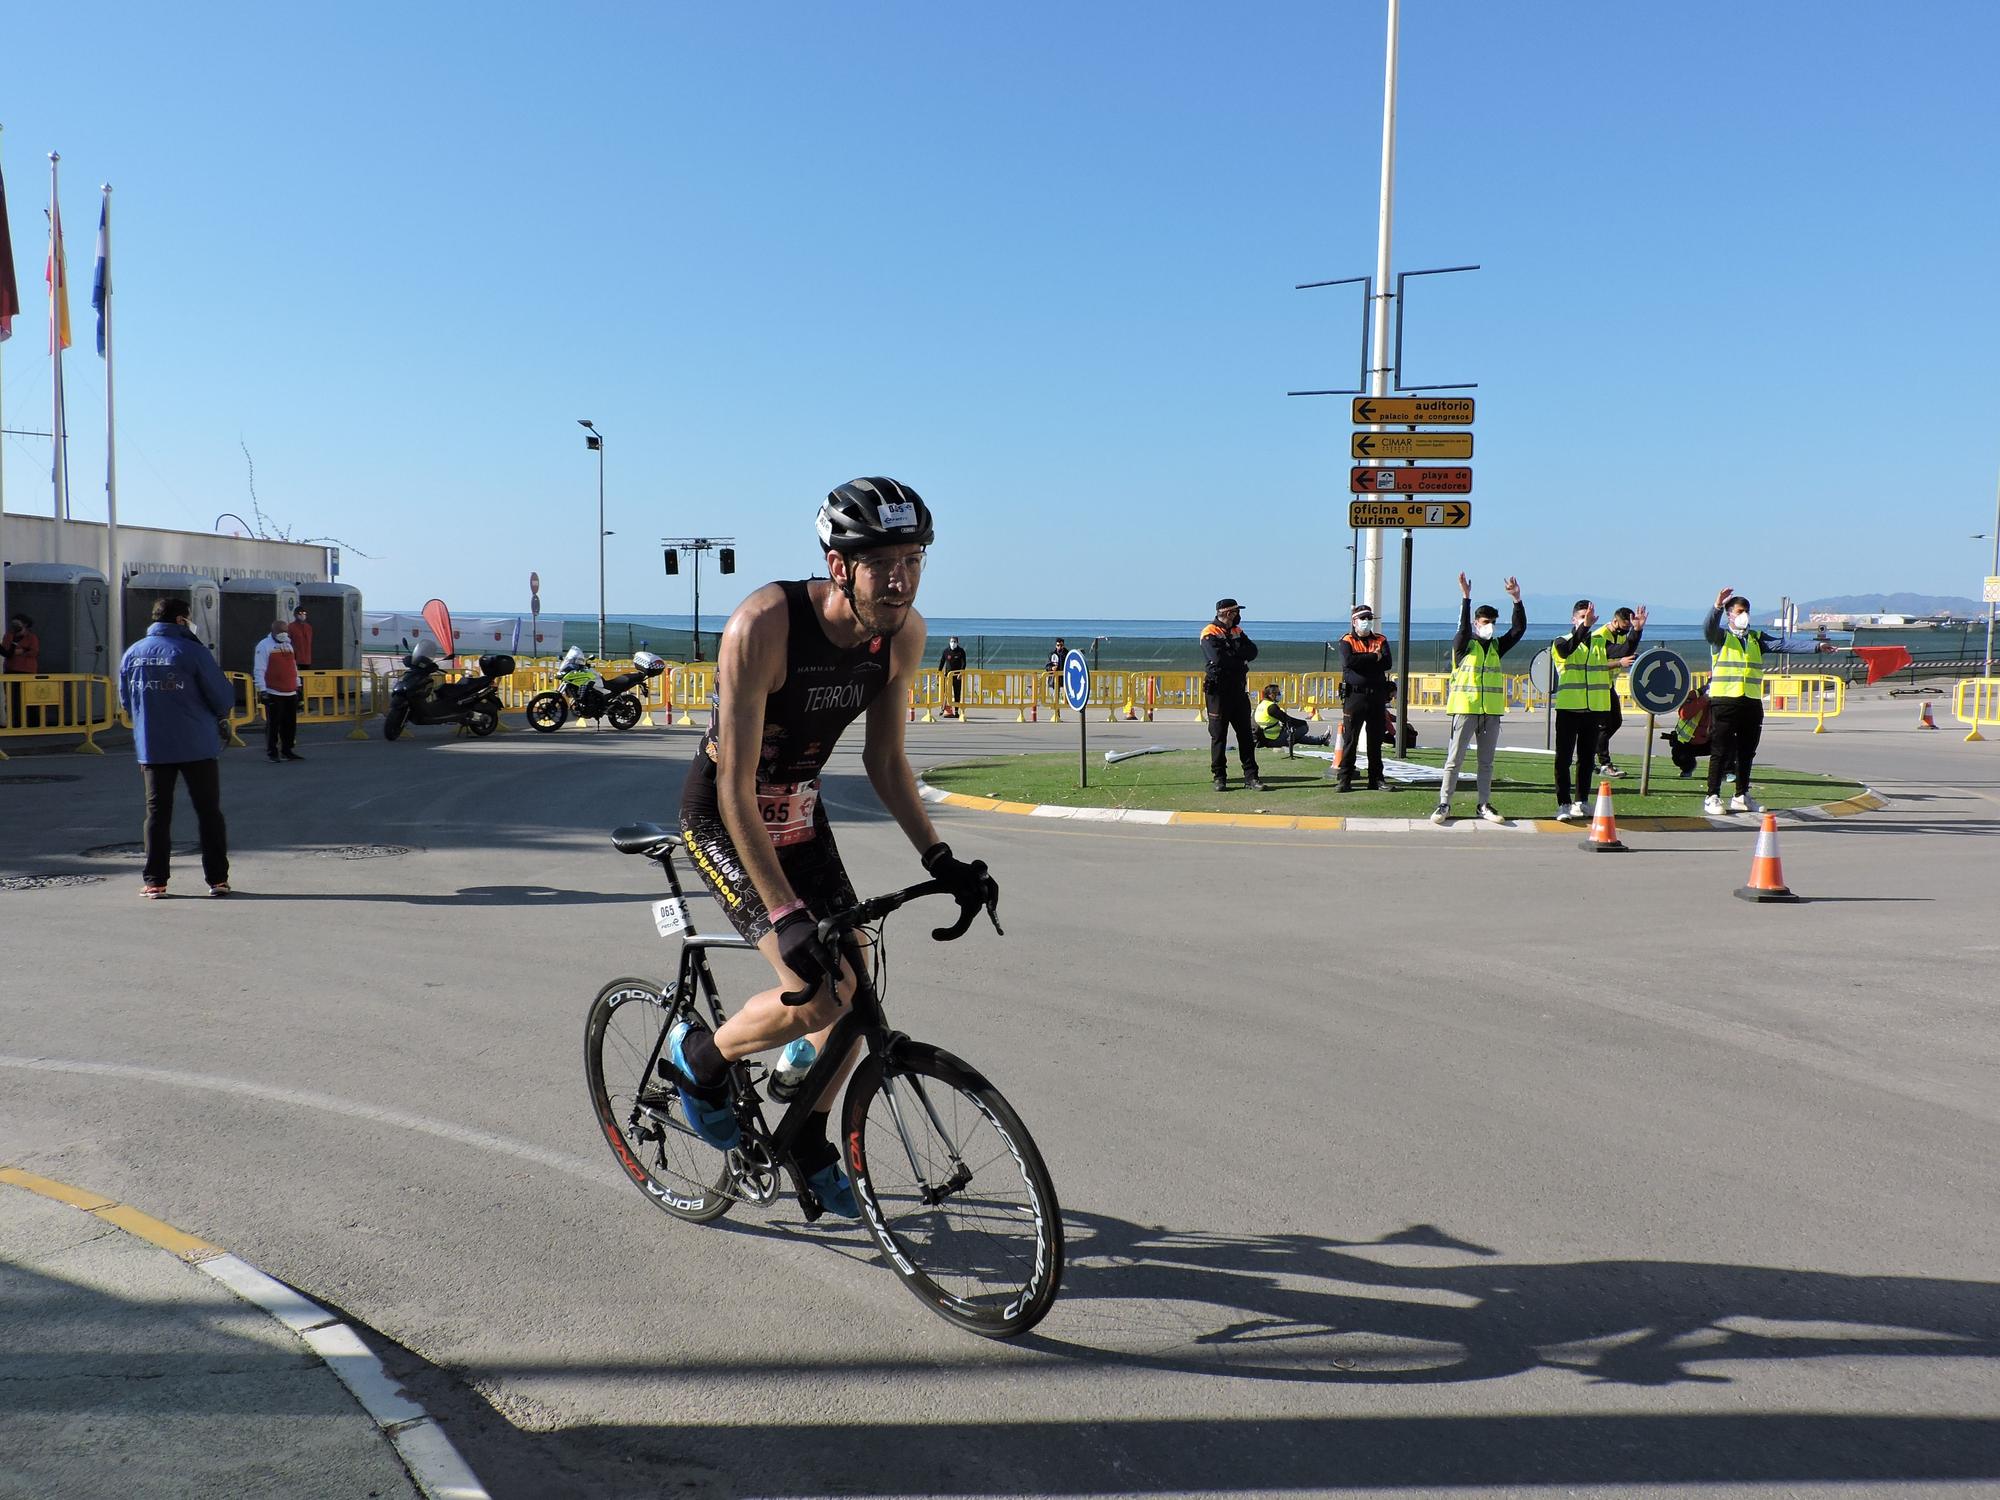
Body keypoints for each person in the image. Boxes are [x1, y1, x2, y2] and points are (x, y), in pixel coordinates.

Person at [670, 478, 996, 1218]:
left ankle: (809, 1137)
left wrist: (940, 859)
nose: (900, 578)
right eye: (881, 562)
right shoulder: (764, 625)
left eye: (913, 559)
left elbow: (886, 762)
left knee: (856, 987)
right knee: (816, 988)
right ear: (838, 564)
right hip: (728, 815)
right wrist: (784, 912)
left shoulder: (902, 637)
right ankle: (701, 1059)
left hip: (802, 814)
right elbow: (734, 787)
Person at [118, 598, 234, 897]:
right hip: (197, 743)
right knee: (208, 811)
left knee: (157, 813)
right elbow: (221, 696)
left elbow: (126, 701)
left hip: (153, 745)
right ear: (182, 620)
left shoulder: (133, 653)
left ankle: (155, 880)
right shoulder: (192, 651)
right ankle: (217, 879)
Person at [1431, 573, 1526, 825]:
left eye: (1493, 622)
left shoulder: (1496, 646)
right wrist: (1466, 598)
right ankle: (1444, 803)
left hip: (1491, 713)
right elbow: (1462, 630)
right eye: (1486, 621)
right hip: (1464, 710)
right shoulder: (1463, 646)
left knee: (1486, 763)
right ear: (1476, 623)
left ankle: (1483, 804)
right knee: (1454, 761)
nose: (1490, 626)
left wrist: (1516, 600)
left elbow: (1518, 630)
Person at [1547, 599, 1638, 821]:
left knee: (1587, 759)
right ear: (1573, 619)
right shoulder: (1561, 642)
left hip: (1594, 709)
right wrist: (1585, 627)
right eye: (1581, 617)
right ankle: (1564, 804)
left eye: (1588, 617)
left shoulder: (1599, 643)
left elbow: (1625, 649)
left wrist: (1637, 630)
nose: (1584, 621)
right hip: (1569, 709)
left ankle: (1581, 801)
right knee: (1564, 759)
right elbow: (1568, 650)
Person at [1704, 586, 1781, 816]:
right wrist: (1716, 606)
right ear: (1730, 614)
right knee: (1720, 750)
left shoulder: (1756, 638)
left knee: (1747, 751)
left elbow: (1784, 644)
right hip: (1725, 700)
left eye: (1746, 610)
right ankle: (1712, 796)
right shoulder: (1721, 636)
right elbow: (1708, 628)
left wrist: (1818, 646)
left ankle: (1741, 795)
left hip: (1750, 701)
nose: (1744, 614)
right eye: (1739, 610)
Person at [1201, 598, 1263, 791]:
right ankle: (1219, 777)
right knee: (1219, 736)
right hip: (1218, 693)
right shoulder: (1209, 632)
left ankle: (1251, 777)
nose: (1238, 615)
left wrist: (1234, 653)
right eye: (1235, 612)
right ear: (1228, 613)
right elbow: (1218, 660)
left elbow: (1252, 652)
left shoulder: (1237, 631)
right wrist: (1239, 658)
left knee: (1245, 735)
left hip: (1238, 691)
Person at [1332, 604, 1392, 792]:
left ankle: (1376, 779)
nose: (1366, 622)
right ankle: (1345, 779)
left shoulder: (1381, 639)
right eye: (1363, 619)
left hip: (1376, 696)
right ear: (1354, 621)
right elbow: (1349, 662)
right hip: (1354, 696)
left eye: (1369, 619)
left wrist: (1366, 660)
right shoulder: (1346, 640)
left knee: (1375, 740)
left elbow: (1387, 663)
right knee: (1351, 740)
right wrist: (1374, 658)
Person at [1592, 605, 1648, 777]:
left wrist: (1637, 630)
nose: (1626, 632)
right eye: (1625, 628)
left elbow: (1626, 650)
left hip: (1608, 685)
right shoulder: (1599, 636)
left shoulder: (1621, 635)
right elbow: (1595, 665)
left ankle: (1589, 750)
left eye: (1628, 629)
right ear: (1615, 621)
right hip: (1596, 686)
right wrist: (1619, 663)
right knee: (1603, 725)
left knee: (1615, 721)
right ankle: (1605, 763)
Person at [253, 618, 304, 762]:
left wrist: (298, 685)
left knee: (289, 724)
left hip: (290, 691)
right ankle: (272, 752)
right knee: (274, 724)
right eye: (281, 631)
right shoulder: (264, 645)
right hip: (274, 692)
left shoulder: (288, 645)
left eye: (286, 631)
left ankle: (287, 750)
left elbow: (293, 667)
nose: (284, 634)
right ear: (273, 631)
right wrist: (262, 690)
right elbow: (259, 669)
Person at [1253, 682, 1328, 753]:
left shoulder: (1261, 704)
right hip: (1272, 739)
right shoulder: (1271, 707)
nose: (1279, 695)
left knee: (1294, 735)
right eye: (1277, 693)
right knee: (1302, 728)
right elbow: (1287, 719)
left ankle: (1321, 740)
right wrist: (1303, 723)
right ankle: (1322, 740)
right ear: (1271, 695)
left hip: (1263, 738)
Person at [1665, 684, 1716, 778]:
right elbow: (1684, 714)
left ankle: (1728, 771)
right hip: (1687, 742)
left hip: (1711, 741)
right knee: (1679, 757)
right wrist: (1704, 699)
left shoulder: (1724, 700)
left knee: (1732, 745)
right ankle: (1688, 768)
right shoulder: (1694, 695)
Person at [3, 611, 44, 727]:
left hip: (27, 671)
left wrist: (20, 651)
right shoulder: (8, 635)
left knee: (30, 697)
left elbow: (34, 651)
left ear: (24, 624)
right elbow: (6, 651)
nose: (14, 625)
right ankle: (15, 722)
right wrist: (21, 650)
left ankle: (33, 723)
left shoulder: (32, 637)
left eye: (17, 623)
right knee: (12, 698)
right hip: (11, 669)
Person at [937, 634, 968, 718]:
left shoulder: (961, 651)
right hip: (947, 676)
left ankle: (957, 711)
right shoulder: (946, 651)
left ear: (957, 643)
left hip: (957, 676)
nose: (953, 643)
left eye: (954, 642)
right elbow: (942, 662)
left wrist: (961, 673)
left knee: (957, 693)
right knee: (945, 693)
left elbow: (964, 663)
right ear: (949, 642)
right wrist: (939, 672)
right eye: (951, 641)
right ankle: (943, 709)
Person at [286, 603, 315, 670]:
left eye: (304, 613)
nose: (302, 615)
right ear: (295, 615)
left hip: (307, 660)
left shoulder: (308, 627)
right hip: (295, 659)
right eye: (300, 613)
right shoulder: (291, 627)